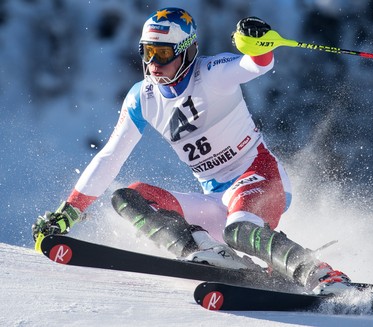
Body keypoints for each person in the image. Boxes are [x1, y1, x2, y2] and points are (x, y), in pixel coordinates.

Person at [32, 8, 353, 295]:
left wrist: (258, 44)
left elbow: (255, 65)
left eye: (163, 53)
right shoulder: (142, 98)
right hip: (216, 201)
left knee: (240, 229)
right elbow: (110, 156)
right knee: (127, 198)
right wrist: (70, 210)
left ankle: (322, 275)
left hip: (260, 179)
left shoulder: (213, 73)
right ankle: (206, 250)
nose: (153, 64)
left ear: (187, 52)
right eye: (147, 52)